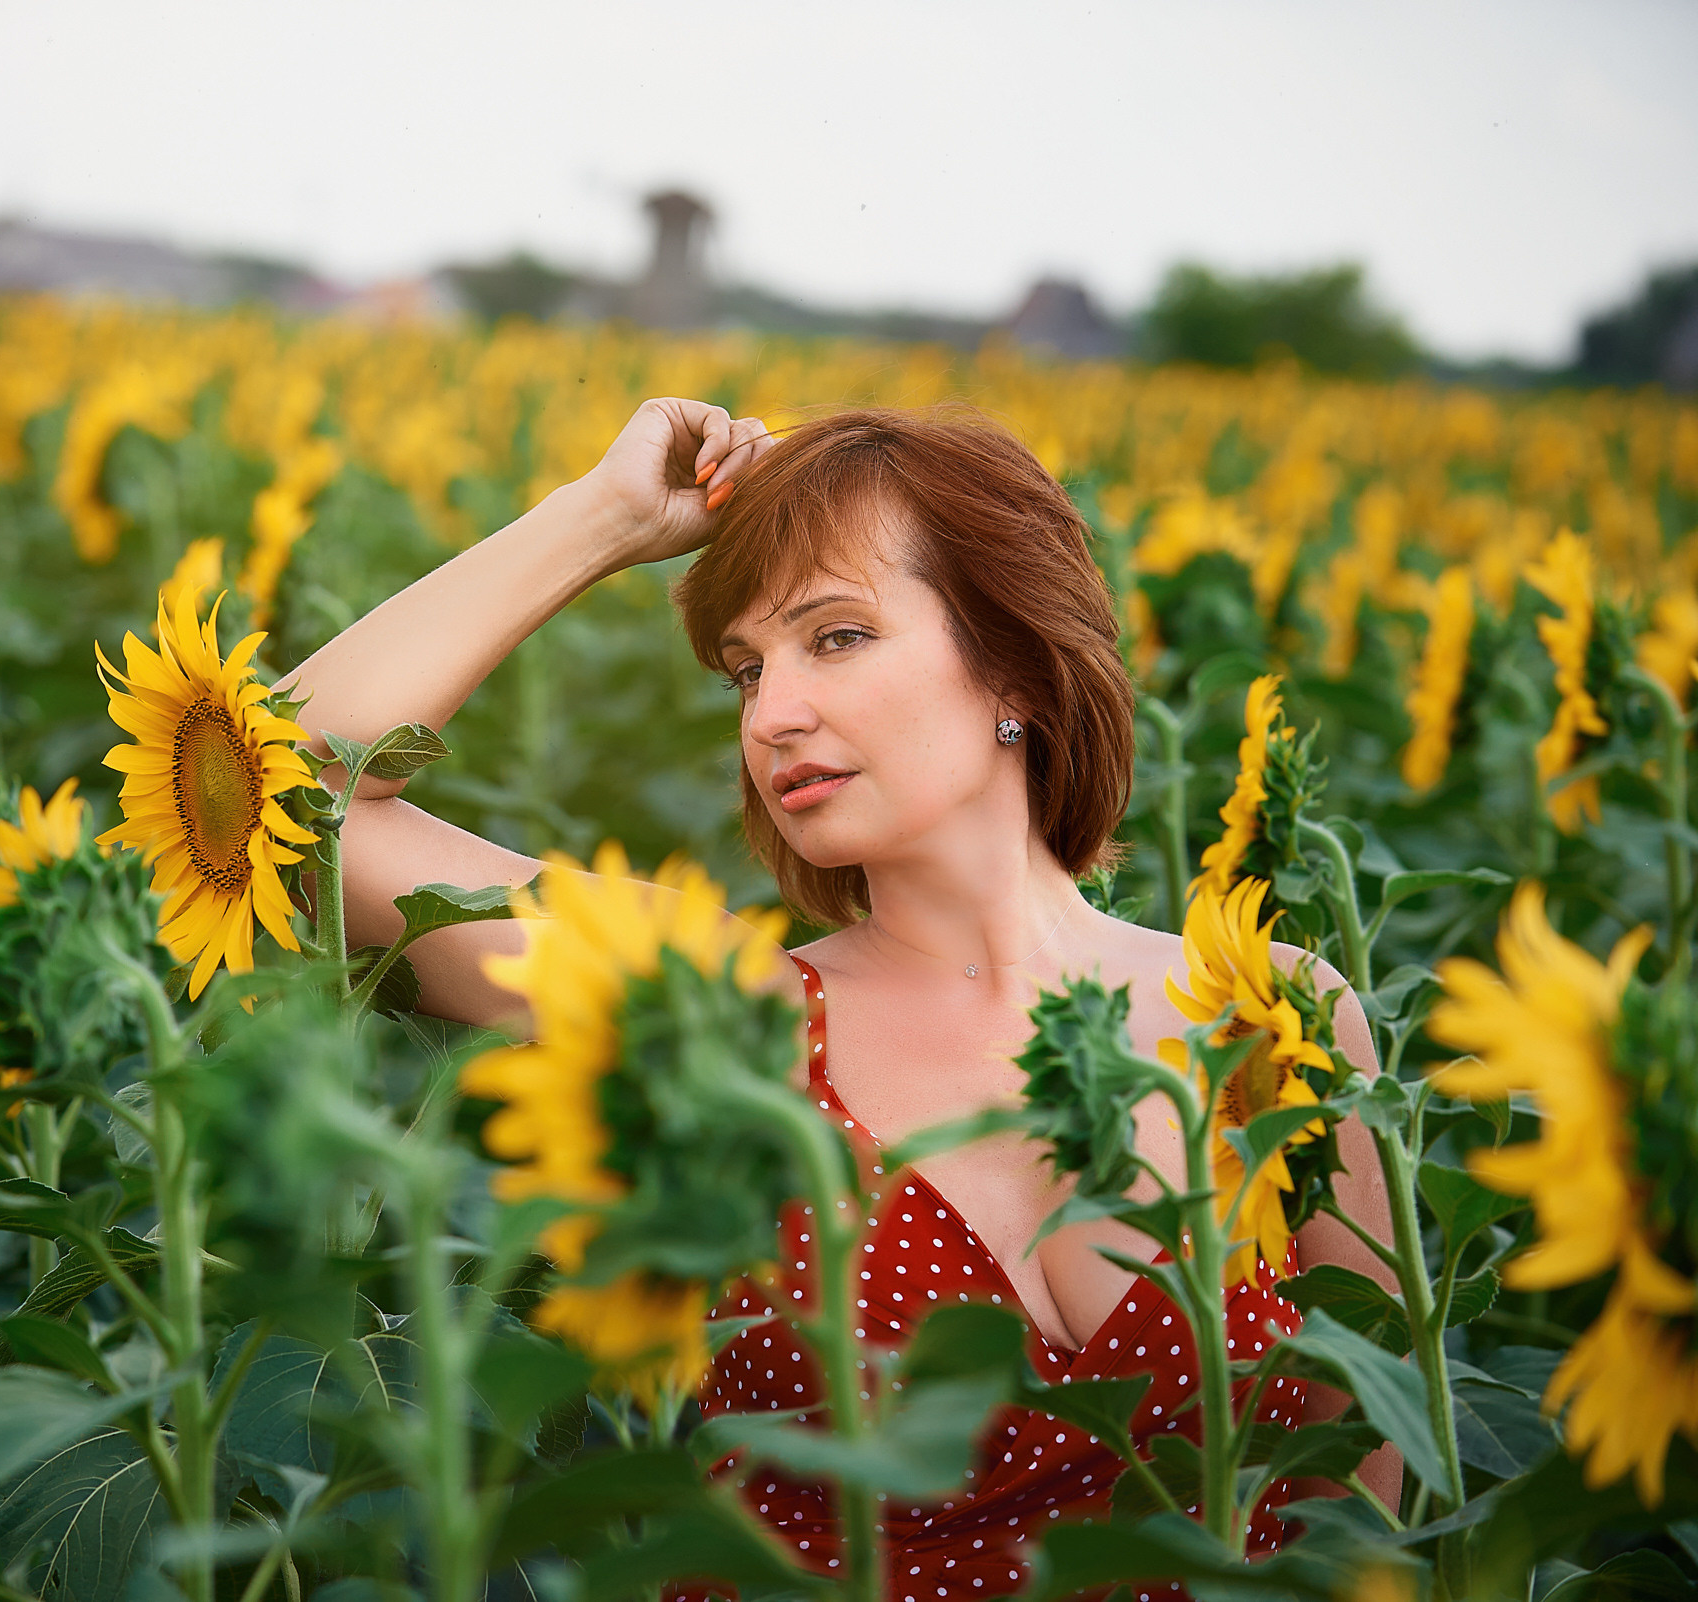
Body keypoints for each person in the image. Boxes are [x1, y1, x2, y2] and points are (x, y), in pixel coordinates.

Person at [280, 398, 1401, 1590]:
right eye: (745, 673)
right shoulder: (721, 1009)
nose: (772, 715)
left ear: (1013, 657)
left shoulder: (1272, 1013)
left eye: (837, 637)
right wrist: (598, 518)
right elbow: (282, 795)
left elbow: (1364, 1493)